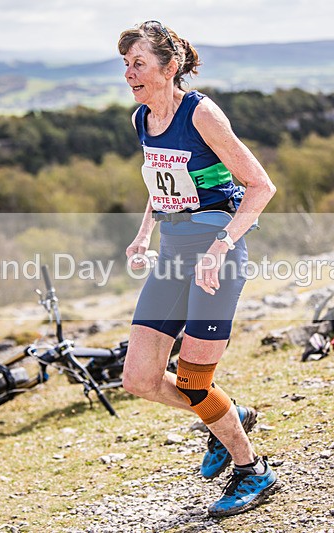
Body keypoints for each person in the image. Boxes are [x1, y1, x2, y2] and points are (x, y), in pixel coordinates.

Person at [118, 21, 278, 517]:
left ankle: (252, 471)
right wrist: (144, 233)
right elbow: (161, 185)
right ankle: (228, 415)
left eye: (139, 63)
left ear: (169, 67)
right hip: (171, 256)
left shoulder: (200, 113)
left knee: (193, 381)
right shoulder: (143, 119)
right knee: (139, 378)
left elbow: (260, 186)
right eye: (125, 64)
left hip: (215, 258)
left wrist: (221, 245)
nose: (129, 73)